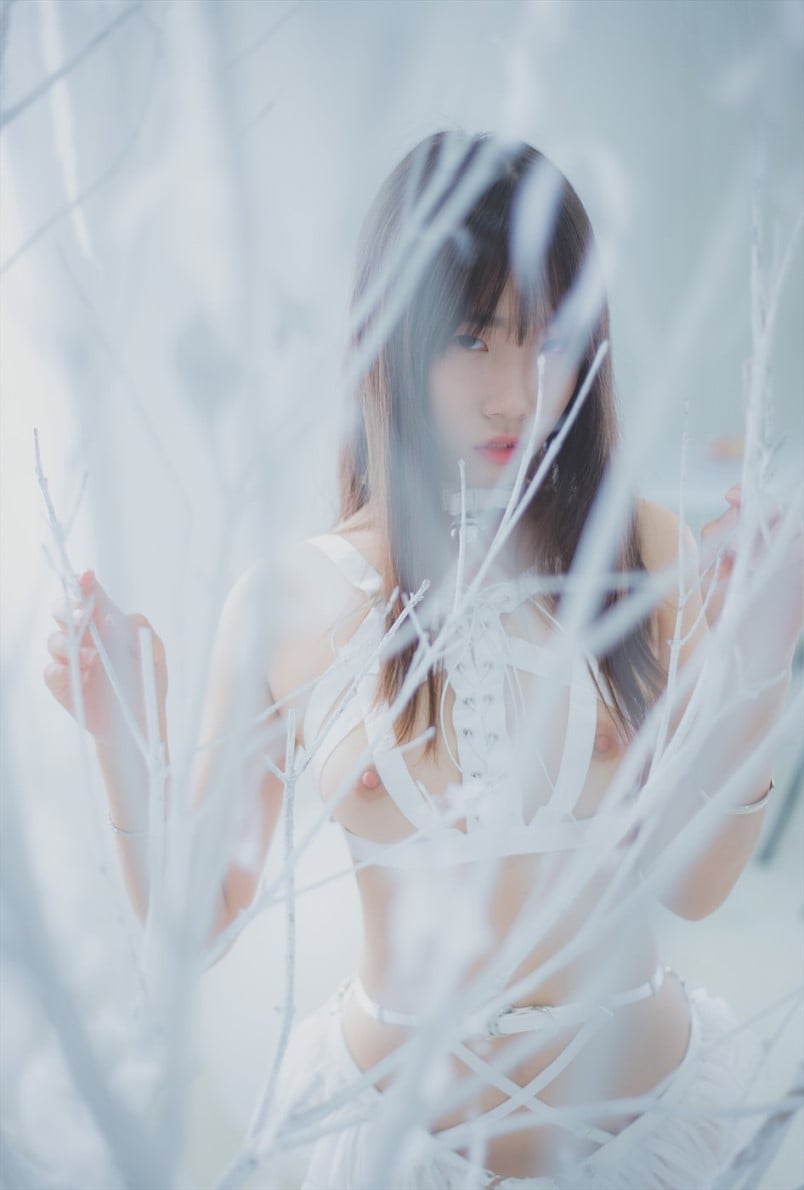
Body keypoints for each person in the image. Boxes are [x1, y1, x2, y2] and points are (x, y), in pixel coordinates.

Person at [44, 131, 802, 1189]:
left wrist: (760, 665)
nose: (514, 394)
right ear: (391, 340)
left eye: (549, 341)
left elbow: (698, 884)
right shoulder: (285, 605)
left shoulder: (647, 554)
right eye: (472, 339)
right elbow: (197, 924)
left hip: (648, 1139)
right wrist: (121, 733)